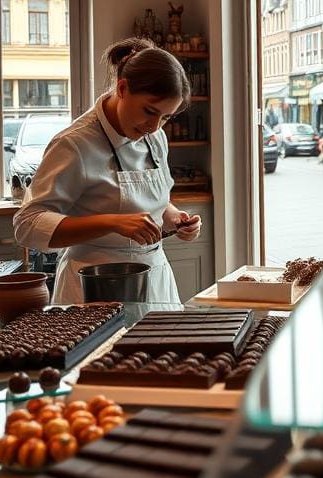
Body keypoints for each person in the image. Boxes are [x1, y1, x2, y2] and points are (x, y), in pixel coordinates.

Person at [14, 37, 201, 304]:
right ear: (123, 88)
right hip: (93, 286)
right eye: (150, 111)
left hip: (155, 279)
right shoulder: (75, 143)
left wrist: (174, 217)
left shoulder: (154, 136)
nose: (155, 126)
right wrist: (111, 223)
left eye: (166, 117)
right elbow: (27, 225)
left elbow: (144, 197)